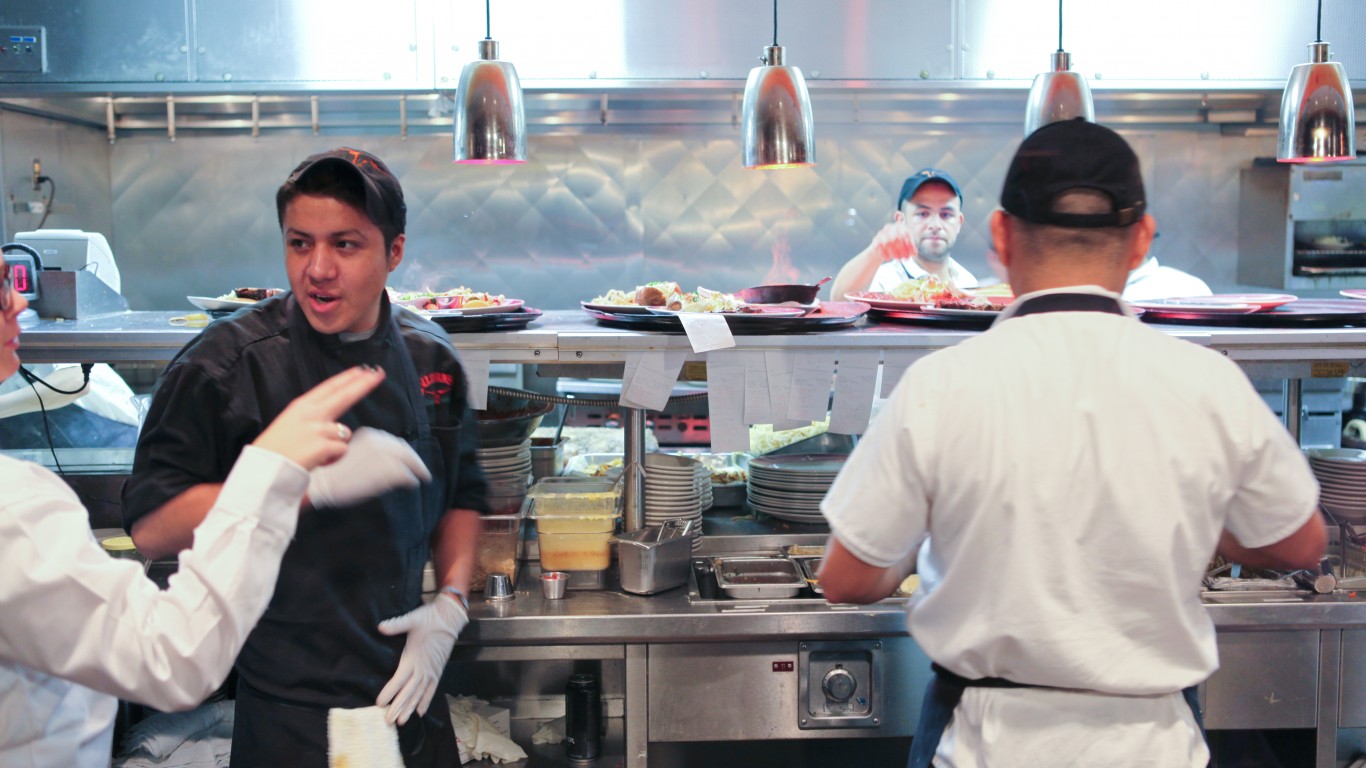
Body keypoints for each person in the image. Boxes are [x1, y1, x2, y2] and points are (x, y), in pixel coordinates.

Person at [818, 119, 1326, 768]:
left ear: (1000, 235)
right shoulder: (1207, 382)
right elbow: (1300, 542)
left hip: (982, 744)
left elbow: (846, 577)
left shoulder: (941, 385)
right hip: (1156, 743)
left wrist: (931, 537)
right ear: (1141, 240)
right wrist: (1210, 526)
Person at [122, 147, 491, 767]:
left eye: (345, 245)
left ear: (394, 253)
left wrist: (450, 605)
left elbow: (461, 495)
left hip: (410, 698)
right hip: (285, 717)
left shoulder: (430, 359)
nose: (317, 268)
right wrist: (294, 484)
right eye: (300, 243)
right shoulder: (223, 366)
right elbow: (152, 530)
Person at [0, 248, 422, 765]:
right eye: (2, 287)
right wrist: (276, 471)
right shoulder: (14, 508)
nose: (19, 301)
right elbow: (172, 659)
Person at [831, 168, 978, 301]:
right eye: (923, 213)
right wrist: (876, 251)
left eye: (946, 214)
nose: (935, 225)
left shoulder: (968, 282)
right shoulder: (883, 279)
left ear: (959, 222)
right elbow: (840, 301)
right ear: (901, 220)